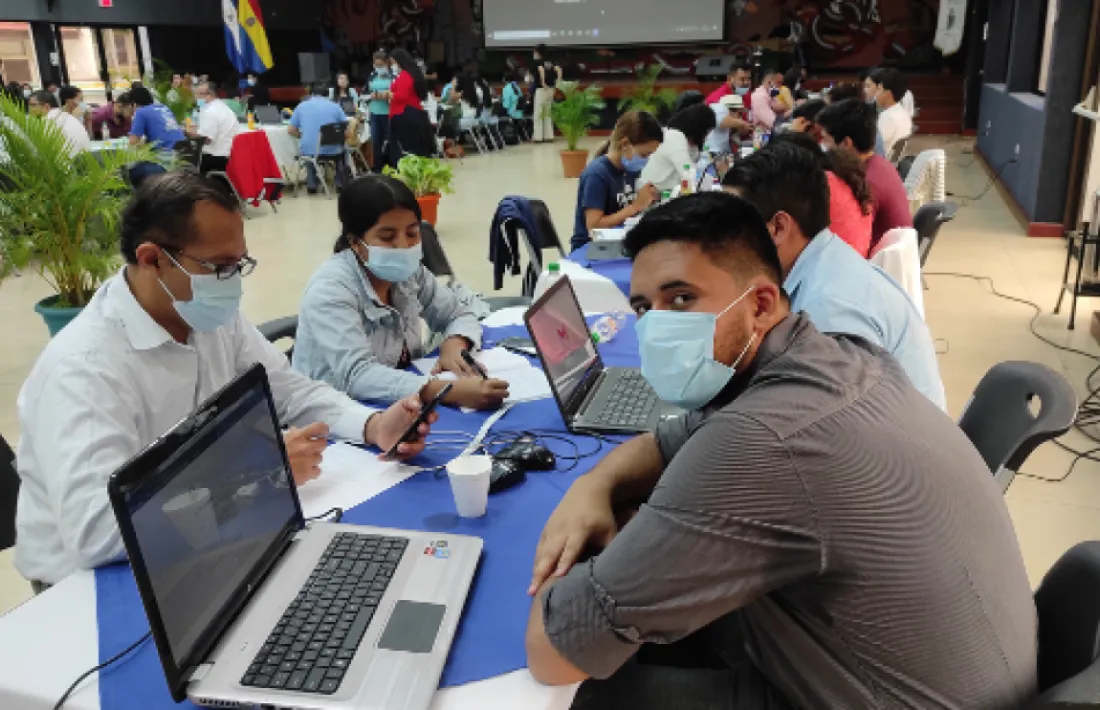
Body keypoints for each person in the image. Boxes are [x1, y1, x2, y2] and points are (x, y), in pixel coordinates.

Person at [524, 192, 1036, 710]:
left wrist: (568, 555)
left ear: (761, 304)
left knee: (596, 696)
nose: (655, 327)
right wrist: (594, 486)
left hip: (880, 696)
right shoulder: (840, 355)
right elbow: (666, 442)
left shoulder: (762, 440)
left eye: (680, 299)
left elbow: (553, 655)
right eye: (642, 308)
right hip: (957, 676)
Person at [13, 172, 438, 588]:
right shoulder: (85, 369)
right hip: (95, 583)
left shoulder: (204, 313)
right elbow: (97, 532)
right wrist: (255, 479)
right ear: (151, 258)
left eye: (239, 265)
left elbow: (290, 390)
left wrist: (372, 425)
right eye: (219, 266)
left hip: (203, 536)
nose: (231, 284)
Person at [722, 142, 943, 407]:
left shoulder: (827, 311)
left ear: (778, 228)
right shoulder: (828, 260)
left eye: (730, 226)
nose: (721, 241)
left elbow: (831, 427)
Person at [294, 175, 509, 409]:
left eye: (412, 233)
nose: (403, 246)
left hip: (403, 402)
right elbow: (358, 376)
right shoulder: (330, 289)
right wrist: (446, 391)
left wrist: (454, 344)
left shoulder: (410, 272)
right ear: (355, 242)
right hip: (338, 415)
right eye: (387, 237)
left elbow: (457, 313)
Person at [817, 98, 913, 250]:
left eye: (826, 140)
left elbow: (849, 245)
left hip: (875, 263)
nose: (822, 146)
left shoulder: (866, 183)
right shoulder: (879, 164)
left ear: (846, 144)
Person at [781, 111, 875, 256]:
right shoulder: (843, 177)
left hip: (836, 270)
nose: (823, 143)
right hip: (855, 264)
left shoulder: (819, 186)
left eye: (824, 138)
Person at [571, 111, 663, 251]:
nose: (646, 160)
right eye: (644, 155)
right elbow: (594, 226)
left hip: (617, 242)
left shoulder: (629, 170)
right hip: (591, 249)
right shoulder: (597, 175)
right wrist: (635, 206)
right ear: (625, 143)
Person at [289, 83, 353, 194]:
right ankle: (340, 182)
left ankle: (312, 184)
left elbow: (291, 130)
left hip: (310, 150)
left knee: (308, 149)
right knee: (344, 150)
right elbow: (347, 132)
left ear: (310, 93)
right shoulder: (335, 106)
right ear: (328, 94)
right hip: (334, 150)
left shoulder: (301, 106)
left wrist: (304, 136)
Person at [640, 104, 715, 193]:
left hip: (671, 192)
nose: (706, 137)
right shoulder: (674, 136)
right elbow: (687, 172)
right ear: (699, 129)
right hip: (653, 193)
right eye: (706, 132)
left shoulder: (692, 144)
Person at [387, 48, 433, 163]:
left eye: (393, 62)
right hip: (411, 113)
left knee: (407, 149)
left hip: (404, 114)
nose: (392, 65)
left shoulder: (404, 76)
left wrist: (389, 94)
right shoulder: (411, 74)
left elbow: (402, 96)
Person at [187, 80, 240, 174]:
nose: (196, 97)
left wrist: (185, 133)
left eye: (199, 94)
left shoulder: (210, 111)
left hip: (215, 158)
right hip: (229, 155)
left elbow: (206, 139)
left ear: (210, 95)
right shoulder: (221, 106)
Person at [28, 90, 89, 155]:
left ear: (46, 106)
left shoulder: (47, 122)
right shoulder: (68, 117)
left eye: (33, 105)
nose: (30, 109)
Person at [872, 68, 913, 157]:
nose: (875, 94)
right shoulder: (903, 113)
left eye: (878, 89)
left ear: (888, 94)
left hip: (882, 164)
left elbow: (873, 146)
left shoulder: (888, 116)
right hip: (893, 163)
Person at [366, 50, 393, 172]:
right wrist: (369, 96)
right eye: (376, 65)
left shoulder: (393, 76)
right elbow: (365, 92)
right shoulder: (372, 76)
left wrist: (385, 96)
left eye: (381, 65)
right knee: (376, 142)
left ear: (387, 63)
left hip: (388, 113)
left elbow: (395, 93)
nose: (378, 68)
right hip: (374, 113)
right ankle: (378, 167)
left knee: (391, 141)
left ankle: (392, 166)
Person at [531, 44, 561, 142]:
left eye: (534, 51)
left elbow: (541, 70)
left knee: (538, 113)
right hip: (551, 89)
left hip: (541, 89)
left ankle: (538, 137)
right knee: (547, 113)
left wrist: (543, 82)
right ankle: (549, 136)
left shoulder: (538, 62)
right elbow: (559, 70)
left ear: (538, 52)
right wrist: (558, 82)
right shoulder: (550, 62)